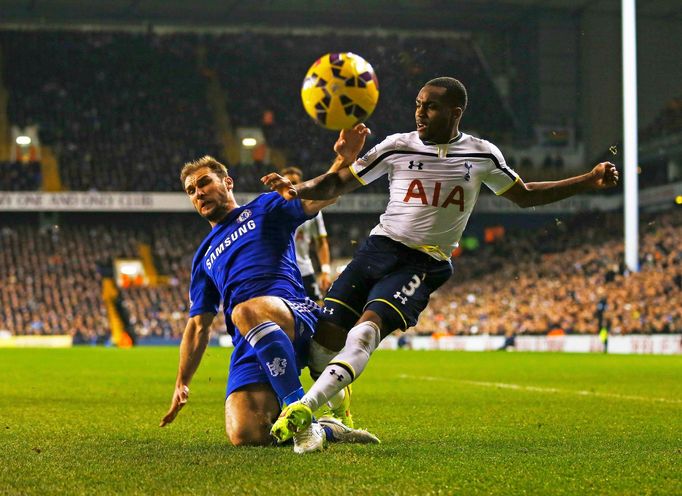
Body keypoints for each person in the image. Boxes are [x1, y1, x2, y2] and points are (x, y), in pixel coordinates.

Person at [262, 76, 619, 450]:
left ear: (455, 112)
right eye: (418, 104)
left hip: (423, 261)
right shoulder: (396, 146)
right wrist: (295, 190)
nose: (420, 112)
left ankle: (304, 408)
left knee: (366, 330)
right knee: (325, 339)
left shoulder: (482, 154)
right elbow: (338, 183)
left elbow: (525, 196)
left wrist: (588, 180)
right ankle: (331, 422)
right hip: (377, 249)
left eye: (430, 106)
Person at [159, 156, 378, 453]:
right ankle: (328, 428)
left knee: (244, 309)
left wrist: (343, 159)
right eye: (191, 190)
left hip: (293, 314)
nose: (198, 193)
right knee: (246, 434)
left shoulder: (263, 207)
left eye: (204, 182)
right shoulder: (203, 256)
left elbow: (320, 197)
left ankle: (299, 415)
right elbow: (198, 325)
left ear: (227, 182)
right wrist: (181, 382)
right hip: (250, 337)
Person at [281, 166, 333, 303]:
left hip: (304, 270)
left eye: (294, 182)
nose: (291, 186)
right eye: (287, 182)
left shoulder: (312, 211)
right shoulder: (271, 210)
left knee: (317, 308)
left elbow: (321, 242)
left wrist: (325, 271)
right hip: (280, 271)